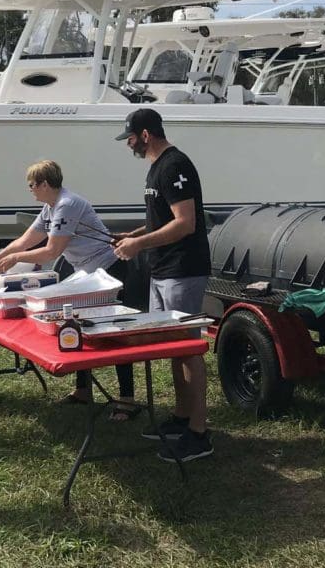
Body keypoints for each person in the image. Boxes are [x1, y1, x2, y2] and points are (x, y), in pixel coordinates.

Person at [0, 160, 143, 420]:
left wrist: (16, 258)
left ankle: (127, 399)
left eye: (32, 185)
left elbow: (52, 250)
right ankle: (83, 390)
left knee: (115, 329)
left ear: (44, 184)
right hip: (88, 273)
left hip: (109, 270)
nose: (30, 190)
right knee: (77, 324)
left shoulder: (67, 205)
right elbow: (25, 240)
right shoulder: (50, 207)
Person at [112, 108, 213, 462]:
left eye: (129, 138)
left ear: (144, 134)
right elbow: (162, 219)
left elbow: (185, 224)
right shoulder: (156, 168)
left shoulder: (174, 165)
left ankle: (200, 433)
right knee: (172, 346)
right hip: (162, 269)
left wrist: (138, 246)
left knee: (188, 348)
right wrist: (135, 234)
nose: (127, 145)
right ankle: (182, 418)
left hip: (183, 269)